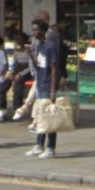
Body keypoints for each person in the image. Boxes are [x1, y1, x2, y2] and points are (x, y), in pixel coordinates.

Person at [13, 10, 58, 122]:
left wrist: (52, 90)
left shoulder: (49, 38)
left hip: (44, 72)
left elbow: (51, 64)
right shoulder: (37, 39)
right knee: (37, 96)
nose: (33, 32)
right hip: (37, 69)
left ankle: (27, 111)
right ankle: (34, 118)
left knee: (40, 96)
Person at [25, 19, 59, 159]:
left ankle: (50, 148)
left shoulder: (51, 47)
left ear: (43, 31)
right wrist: (30, 55)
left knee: (49, 117)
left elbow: (54, 69)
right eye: (32, 30)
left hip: (46, 85)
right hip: (39, 84)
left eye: (36, 30)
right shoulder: (39, 46)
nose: (33, 33)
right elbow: (38, 66)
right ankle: (39, 145)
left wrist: (53, 90)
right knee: (40, 117)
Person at [6, 31, 32, 113]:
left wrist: (20, 74)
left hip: (27, 72)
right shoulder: (16, 51)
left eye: (20, 39)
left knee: (18, 82)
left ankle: (17, 106)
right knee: (6, 82)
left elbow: (30, 67)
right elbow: (14, 64)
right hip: (18, 70)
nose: (18, 41)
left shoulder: (28, 51)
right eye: (17, 39)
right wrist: (11, 72)